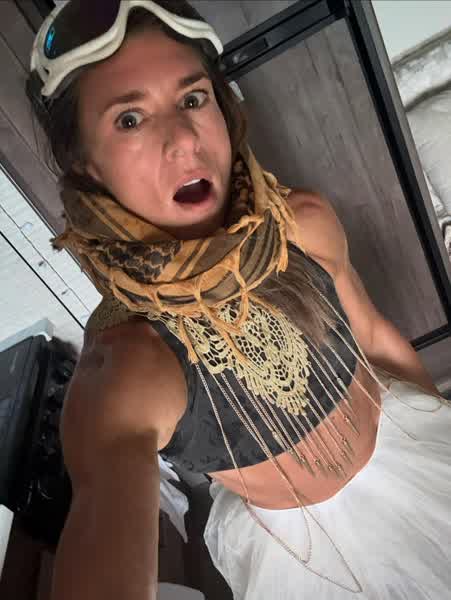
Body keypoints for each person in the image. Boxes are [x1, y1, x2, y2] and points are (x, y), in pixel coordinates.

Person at [26, 2, 451, 599]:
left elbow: (377, 338)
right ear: (84, 163)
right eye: (130, 119)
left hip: (410, 453)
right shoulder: (127, 365)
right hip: (312, 562)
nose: (183, 140)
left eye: (193, 98)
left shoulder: (303, 221)